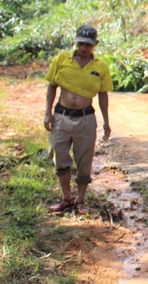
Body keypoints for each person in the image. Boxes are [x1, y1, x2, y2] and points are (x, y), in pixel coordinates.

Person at [44, 25, 113, 216]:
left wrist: (107, 122)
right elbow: (51, 86)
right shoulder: (62, 59)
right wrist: (47, 113)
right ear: (75, 42)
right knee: (59, 156)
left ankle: (81, 200)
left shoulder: (100, 67)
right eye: (81, 44)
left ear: (95, 44)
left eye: (88, 45)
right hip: (62, 116)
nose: (83, 49)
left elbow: (103, 95)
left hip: (85, 118)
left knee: (84, 159)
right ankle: (66, 197)